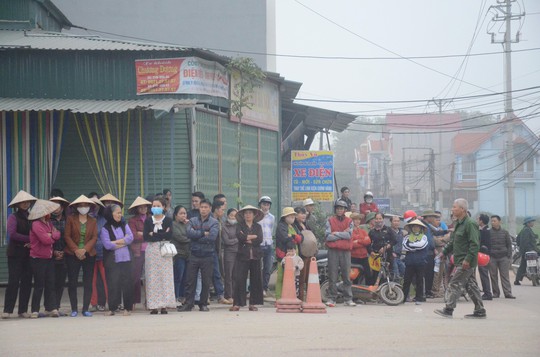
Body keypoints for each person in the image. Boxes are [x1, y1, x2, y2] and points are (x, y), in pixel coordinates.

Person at [435, 198, 486, 319]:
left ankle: (448, 309)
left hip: (465, 261)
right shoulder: (458, 223)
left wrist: (467, 260)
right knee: (471, 286)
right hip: (459, 260)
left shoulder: (470, 224)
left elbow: (474, 244)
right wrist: (444, 252)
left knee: (454, 283)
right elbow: (453, 241)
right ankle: (480, 310)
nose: (452, 209)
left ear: (462, 209)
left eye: (454, 207)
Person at [2, 191, 37, 319]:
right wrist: (29, 239)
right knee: (13, 281)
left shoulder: (32, 216)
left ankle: (23, 310)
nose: (25, 204)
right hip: (15, 254)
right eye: (23, 202)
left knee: (27, 282)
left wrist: (32, 242)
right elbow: (12, 234)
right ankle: (7, 310)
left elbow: (37, 233)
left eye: (27, 202)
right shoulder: (13, 217)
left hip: (29, 253)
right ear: (18, 204)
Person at [179, 199, 219, 312]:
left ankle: (203, 303)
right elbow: (188, 233)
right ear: (199, 208)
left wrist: (196, 236)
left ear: (210, 208)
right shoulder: (192, 220)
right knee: (190, 280)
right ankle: (188, 304)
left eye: (206, 207)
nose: (203, 209)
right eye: (202, 207)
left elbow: (212, 237)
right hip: (194, 254)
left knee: (206, 281)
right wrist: (203, 233)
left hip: (208, 254)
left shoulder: (214, 222)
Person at [64, 195, 98, 317]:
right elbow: (67, 236)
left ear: (90, 207)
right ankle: (74, 309)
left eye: (86, 205)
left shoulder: (93, 220)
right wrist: (76, 250)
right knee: (72, 281)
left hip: (89, 254)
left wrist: (85, 249)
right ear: (76, 207)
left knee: (88, 281)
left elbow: (94, 237)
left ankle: (85, 309)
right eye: (81, 205)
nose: (83, 208)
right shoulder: (70, 219)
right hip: (72, 254)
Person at [29, 199, 61, 318]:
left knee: (50, 283)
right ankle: (35, 310)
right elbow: (45, 240)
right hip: (38, 258)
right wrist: (51, 235)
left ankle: (52, 308)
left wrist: (51, 235)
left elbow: (57, 235)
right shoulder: (36, 224)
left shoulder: (49, 223)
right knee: (39, 284)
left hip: (49, 258)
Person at [143, 196, 176, 314]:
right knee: (152, 277)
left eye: (158, 206)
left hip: (165, 250)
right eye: (154, 206)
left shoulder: (168, 220)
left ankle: (164, 305)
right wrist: (161, 233)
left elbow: (169, 235)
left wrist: (155, 233)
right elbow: (146, 237)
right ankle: (153, 305)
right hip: (152, 251)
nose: (155, 208)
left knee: (165, 278)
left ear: (163, 207)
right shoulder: (148, 220)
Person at [101, 204, 134, 316]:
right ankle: (112, 308)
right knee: (112, 284)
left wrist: (116, 242)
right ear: (111, 214)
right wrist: (123, 242)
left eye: (121, 212)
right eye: (118, 212)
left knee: (127, 283)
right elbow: (107, 245)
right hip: (112, 260)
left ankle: (127, 308)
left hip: (126, 259)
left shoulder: (124, 224)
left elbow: (130, 238)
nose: (120, 215)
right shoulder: (105, 228)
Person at [230, 205, 264, 311]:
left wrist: (247, 238)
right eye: (246, 213)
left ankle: (253, 303)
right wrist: (251, 237)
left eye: (250, 213)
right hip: (242, 255)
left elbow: (260, 239)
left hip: (256, 255)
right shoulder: (239, 225)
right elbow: (240, 237)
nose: (248, 215)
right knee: (239, 278)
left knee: (256, 279)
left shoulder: (258, 227)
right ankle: (237, 303)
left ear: (254, 215)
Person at [325, 200, 356, 307]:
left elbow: (349, 236)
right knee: (332, 275)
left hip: (346, 251)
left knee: (346, 275)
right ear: (335, 209)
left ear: (345, 210)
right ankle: (332, 298)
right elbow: (328, 237)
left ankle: (348, 298)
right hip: (333, 251)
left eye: (341, 208)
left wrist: (336, 233)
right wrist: (343, 233)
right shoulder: (330, 220)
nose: (339, 210)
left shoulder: (349, 221)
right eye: (338, 208)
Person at [127, 196, 151, 310]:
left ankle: (150, 301)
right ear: (136, 208)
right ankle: (133, 302)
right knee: (135, 277)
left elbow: (155, 233)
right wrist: (146, 234)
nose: (143, 208)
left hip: (151, 251)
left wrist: (142, 233)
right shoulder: (132, 220)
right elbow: (133, 236)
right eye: (140, 207)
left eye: (145, 206)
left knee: (150, 278)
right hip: (137, 252)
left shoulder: (151, 218)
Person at [275, 207, 301, 300]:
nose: (292, 217)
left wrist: (293, 236)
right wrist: (294, 238)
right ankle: (278, 298)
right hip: (283, 255)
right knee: (281, 278)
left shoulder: (294, 226)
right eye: (290, 216)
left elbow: (301, 239)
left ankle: (290, 297)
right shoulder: (281, 226)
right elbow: (285, 238)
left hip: (294, 256)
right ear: (285, 217)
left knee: (293, 278)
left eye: (293, 216)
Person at [49, 196, 70, 315]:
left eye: (58, 206)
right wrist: (53, 253)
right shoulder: (47, 220)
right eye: (53, 206)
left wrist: (64, 251)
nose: (56, 209)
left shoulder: (68, 220)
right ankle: (50, 307)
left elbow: (71, 237)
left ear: (62, 207)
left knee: (61, 282)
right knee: (51, 281)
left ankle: (57, 306)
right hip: (50, 255)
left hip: (65, 254)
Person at [401, 219, 428, 304]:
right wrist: (414, 247)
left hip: (420, 262)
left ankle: (419, 298)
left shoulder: (424, 237)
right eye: (414, 226)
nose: (415, 228)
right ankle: (403, 298)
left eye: (417, 226)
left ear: (420, 228)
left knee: (419, 280)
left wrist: (411, 246)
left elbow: (421, 245)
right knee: (406, 280)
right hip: (409, 262)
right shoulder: (407, 237)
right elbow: (404, 247)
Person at [88, 195, 107, 312]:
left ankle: (111, 302)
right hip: (89, 253)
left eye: (96, 206)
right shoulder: (85, 220)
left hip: (103, 253)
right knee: (92, 280)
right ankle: (93, 303)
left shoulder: (104, 219)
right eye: (92, 206)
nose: (94, 208)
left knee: (106, 279)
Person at [488, 215, 515, 299]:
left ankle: (508, 293)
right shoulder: (489, 232)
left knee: (505, 276)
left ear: (499, 222)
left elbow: (509, 245)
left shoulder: (505, 232)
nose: (493, 222)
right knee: (493, 276)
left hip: (503, 257)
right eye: (491, 221)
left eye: (494, 221)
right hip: (492, 257)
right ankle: (496, 293)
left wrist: (509, 257)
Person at [293, 206, 316, 301]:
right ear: (295, 215)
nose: (303, 215)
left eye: (304, 213)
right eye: (301, 213)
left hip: (309, 255)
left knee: (307, 278)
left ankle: (308, 298)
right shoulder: (294, 226)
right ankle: (300, 298)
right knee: (300, 279)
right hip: (300, 255)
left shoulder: (306, 225)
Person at [367, 212, 396, 285]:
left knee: (388, 275)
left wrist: (386, 247)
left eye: (380, 218)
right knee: (375, 275)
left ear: (383, 219)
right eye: (376, 219)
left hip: (387, 256)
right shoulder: (372, 231)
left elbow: (394, 240)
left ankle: (388, 291)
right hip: (376, 257)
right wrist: (371, 252)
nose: (378, 220)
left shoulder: (389, 230)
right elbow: (368, 244)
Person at [171, 205, 190, 306]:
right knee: (178, 276)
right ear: (175, 215)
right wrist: (191, 238)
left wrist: (190, 227)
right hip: (178, 255)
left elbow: (193, 232)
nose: (183, 215)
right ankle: (175, 296)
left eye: (185, 213)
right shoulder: (173, 225)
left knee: (185, 278)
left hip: (188, 254)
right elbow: (179, 237)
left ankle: (182, 297)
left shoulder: (188, 224)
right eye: (181, 213)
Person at [258, 196, 275, 296]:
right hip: (258, 245)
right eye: (264, 204)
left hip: (268, 245)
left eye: (268, 205)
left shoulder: (272, 217)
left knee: (267, 268)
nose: (266, 206)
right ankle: (255, 288)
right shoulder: (256, 216)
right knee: (257, 268)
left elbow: (271, 229)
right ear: (260, 204)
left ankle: (264, 287)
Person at [210, 200, 227, 304]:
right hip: (210, 250)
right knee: (214, 273)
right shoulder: (210, 220)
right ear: (216, 209)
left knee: (218, 273)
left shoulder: (220, 221)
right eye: (222, 210)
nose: (223, 212)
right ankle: (219, 295)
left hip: (217, 250)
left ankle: (220, 295)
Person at [419, 210, 438, 298]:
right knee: (426, 273)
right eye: (433, 217)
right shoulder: (422, 226)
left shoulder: (429, 226)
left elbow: (436, 234)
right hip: (425, 252)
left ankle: (428, 291)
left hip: (430, 252)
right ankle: (425, 291)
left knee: (430, 273)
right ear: (428, 217)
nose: (434, 219)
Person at [515, 216, 539, 285]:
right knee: (533, 265)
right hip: (529, 251)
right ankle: (535, 279)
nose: (533, 223)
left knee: (523, 265)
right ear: (528, 223)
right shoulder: (527, 230)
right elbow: (527, 242)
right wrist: (534, 250)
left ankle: (517, 280)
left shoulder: (525, 229)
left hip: (525, 251)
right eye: (532, 222)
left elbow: (518, 240)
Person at [222, 208, 238, 304]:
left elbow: (242, 237)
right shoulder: (224, 226)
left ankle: (235, 294)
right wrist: (237, 239)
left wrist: (236, 239)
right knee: (228, 275)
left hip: (238, 252)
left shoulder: (239, 226)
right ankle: (228, 295)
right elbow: (226, 241)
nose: (233, 217)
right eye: (231, 215)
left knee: (236, 275)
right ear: (227, 216)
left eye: (235, 215)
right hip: (229, 253)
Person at [350, 212, 371, 284]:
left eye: (359, 219)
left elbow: (368, 241)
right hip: (354, 257)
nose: (357, 221)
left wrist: (357, 241)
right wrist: (362, 241)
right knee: (354, 276)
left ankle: (368, 292)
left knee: (368, 275)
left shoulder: (363, 231)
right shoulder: (349, 232)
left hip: (364, 257)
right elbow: (351, 245)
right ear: (351, 221)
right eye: (355, 219)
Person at [477, 213, 492, 300]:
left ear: (481, 221)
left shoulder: (485, 231)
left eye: (478, 219)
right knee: (483, 274)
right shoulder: (484, 230)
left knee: (484, 274)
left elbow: (485, 244)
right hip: (483, 255)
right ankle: (487, 292)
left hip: (483, 255)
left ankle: (487, 293)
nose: (477, 220)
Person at [389, 215, 406, 281]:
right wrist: (391, 252)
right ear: (391, 222)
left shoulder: (401, 232)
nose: (396, 223)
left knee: (405, 271)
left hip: (401, 256)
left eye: (398, 221)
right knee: (396, 275)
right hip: (392, 257)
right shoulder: (388, 231)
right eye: (395, 221)